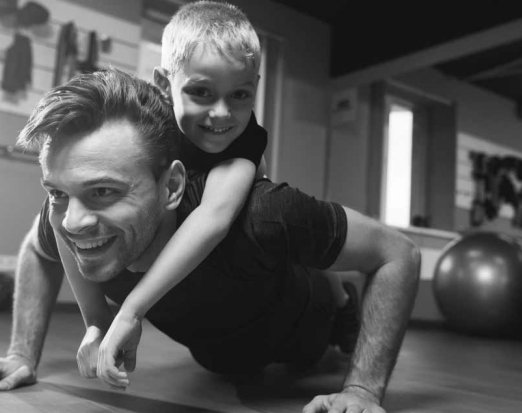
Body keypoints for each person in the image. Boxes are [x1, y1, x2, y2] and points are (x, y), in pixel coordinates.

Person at [0, 69, 420, 413]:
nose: (73, 222)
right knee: (227, 364)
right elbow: (39, 251)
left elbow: (398, 254)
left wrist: (363, 390)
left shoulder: (262, 214)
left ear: (173, 187)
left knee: (315, 308)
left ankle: (341, 299)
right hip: (219, 358)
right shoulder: (65, 217)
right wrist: (21, 355)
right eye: (56, 192)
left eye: (104, 192)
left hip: (306, 332)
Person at [91, 0, 273, 382]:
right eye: (202, 92)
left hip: (240, 219)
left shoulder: (246, 140)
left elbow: (213, 219)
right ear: (163, 85)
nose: (222, 113)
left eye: (239, 95)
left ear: (254, 87)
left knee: (288, 216)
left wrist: (131, 310)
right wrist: (97, 321)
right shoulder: (151, 124)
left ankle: (342, 302)